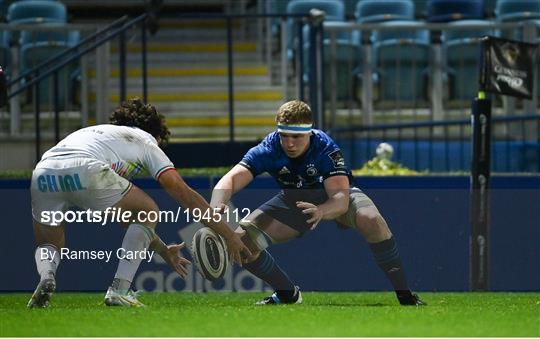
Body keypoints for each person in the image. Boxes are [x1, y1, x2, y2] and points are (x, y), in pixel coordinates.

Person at [28, 97, 251, 308]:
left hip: (44, 170)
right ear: (157, 135)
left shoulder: (101, 136)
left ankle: (47, 275)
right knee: (150, 210)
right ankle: (120, 290)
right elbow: (183, 193)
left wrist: (163, 250)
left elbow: (131, 222)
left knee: (49, 243)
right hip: (85, 167)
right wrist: (229, 235)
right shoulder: (145, 140)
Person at [210, 100, 424, 306]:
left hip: (334, 199)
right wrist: (218, 201)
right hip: (294, 201)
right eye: (284, 136)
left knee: (371, 219)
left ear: (309, 133)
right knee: (241, 244)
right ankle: (287, 294)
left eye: (296, 136)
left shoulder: (325, 148)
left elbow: (340, 199)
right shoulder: (269, 147)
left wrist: (322, 210)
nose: (289, 143)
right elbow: (232, 177)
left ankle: (404, 294)